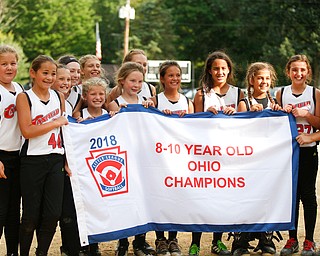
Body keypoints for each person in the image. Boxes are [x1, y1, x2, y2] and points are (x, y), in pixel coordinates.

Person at [189, 51, 244, 256]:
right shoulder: (201, 94)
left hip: (228, 155)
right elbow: (190, 126)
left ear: (229, 70)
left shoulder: (239, 93)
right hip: (205, 156)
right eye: (215, 68)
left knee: (222, 199)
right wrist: (206, 114)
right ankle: (194, 242)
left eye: (223, 68)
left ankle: (217, 241)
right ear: (210, 71)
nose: (220, 71)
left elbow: (246, 122)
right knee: (200, 199)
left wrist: (235, 115)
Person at [16, 55, 69, 256]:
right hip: (32, 160)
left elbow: (65, 132)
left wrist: (68, 160)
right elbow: (27, 131)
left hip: (55, 159)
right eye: (45, 73)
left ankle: (42, 252)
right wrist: (55, 123)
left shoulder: (59, 97)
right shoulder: (25, 97)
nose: (49, 77)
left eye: (53, 73)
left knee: (53, 214)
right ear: (33, 73)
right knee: (30, 216)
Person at [233, 62, 282, 256]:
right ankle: (240, 240)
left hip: (269, 161)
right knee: (244, 199)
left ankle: (266, 238)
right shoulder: (244, 102)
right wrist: (248, 115)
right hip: (247, 161)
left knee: (267, 199)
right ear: (252, 80)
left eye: (267, 78)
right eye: (260, 78)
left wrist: (280, 113)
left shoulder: (274, 103)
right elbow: (236, 131)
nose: (264, 81)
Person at [107, 62, 154, 256]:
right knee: (125, 199)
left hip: (144, 157)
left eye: (140, 81)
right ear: (122, 82)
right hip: (124, 158)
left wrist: (152, 109)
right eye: (132, 81)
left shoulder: (147, 101)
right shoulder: (115, 103)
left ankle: (140, 241)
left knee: (143, 199)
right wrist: (114, 115)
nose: (136, 84)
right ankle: (123, 241)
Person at [276, 54, 320, 256]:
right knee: (290, 197)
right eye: (294, 69)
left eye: (302, 69)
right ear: (288, 72)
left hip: (308, 152)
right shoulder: (281, 93)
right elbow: (273, 124)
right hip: (287, 154)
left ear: (308, 72)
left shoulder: (315, 93)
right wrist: (277, 110)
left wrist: (307, 118)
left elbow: (319, 124)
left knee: (308, 196)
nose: (298, 73)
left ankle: (309, 241)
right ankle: (291, 239)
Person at [150, 60, 194, 256]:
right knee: (160, 197)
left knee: (176, 198)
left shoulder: (188, 102)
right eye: (170, 75)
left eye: (178, 75)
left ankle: (173, 238)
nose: (175, 78)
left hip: (180, 157)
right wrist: (159, 115)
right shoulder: (155, 101)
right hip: (160, 157)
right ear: (162, 78)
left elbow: (195, 131)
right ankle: (160, 239)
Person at [0, 44, 24, 256]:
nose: (9, 68)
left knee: (14, 212)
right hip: (1, 157)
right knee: (0, 210)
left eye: (13, 63)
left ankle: (12, 252)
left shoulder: (20, 89)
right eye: (4, 64)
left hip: (18, 157)